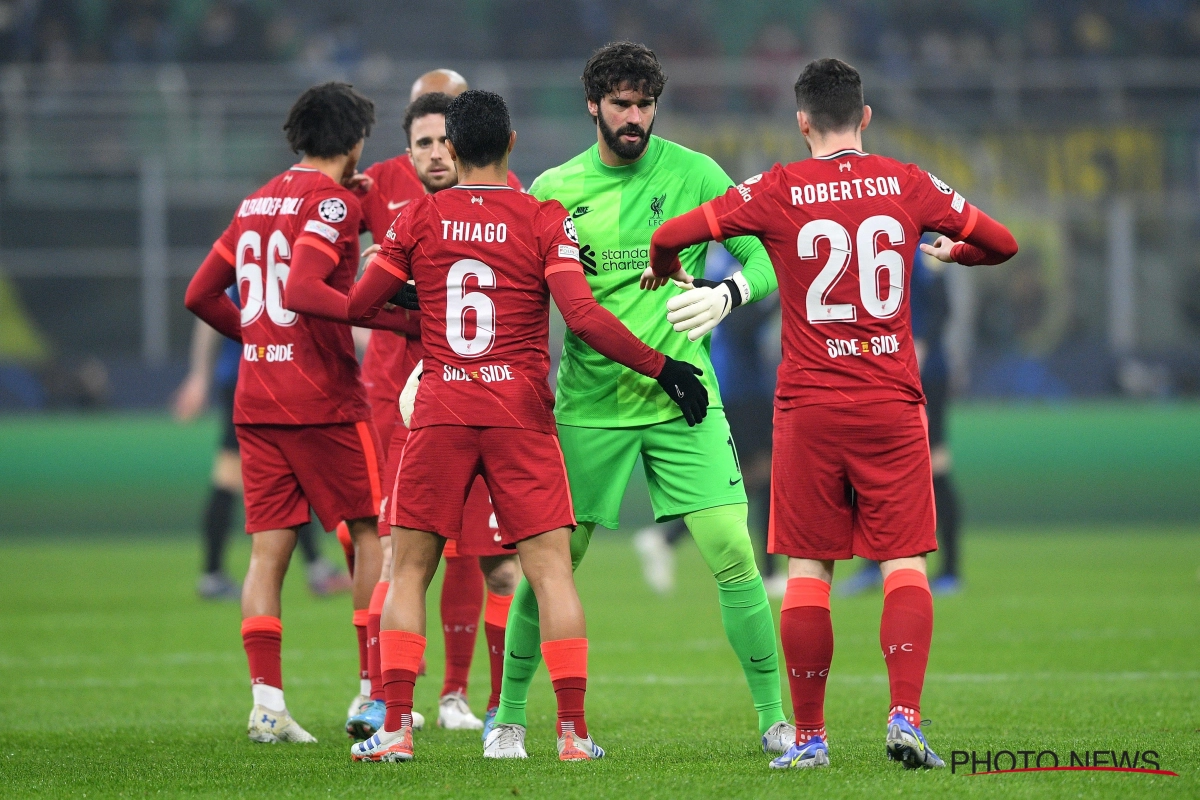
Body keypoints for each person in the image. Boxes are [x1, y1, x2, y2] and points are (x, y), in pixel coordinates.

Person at [646, 58, 1017, 770]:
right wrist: (956, 253)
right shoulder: (907, 182)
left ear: (802, 121)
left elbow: (677, 235)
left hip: (810, 406)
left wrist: (666, 266)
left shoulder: (779, 188)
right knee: (904, 559)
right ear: (866, 116)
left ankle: (811, 739)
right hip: (890, 402)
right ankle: (905, 718)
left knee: (809, 566)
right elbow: (1003, 243)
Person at [345, 89, 708, 764]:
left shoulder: (418, 217)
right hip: (518, 412)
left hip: (443, 406)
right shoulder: (545, 219)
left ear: (449, 149)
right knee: (550, 574)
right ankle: (571, 735)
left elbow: (360, 306)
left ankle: (395, 727)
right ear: (512, 144)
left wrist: (413, 304)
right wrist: (664, 367)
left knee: (411, 569)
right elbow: (588, 321)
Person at [494, 41, 795, 757]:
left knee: (733, 551)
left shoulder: (694, 173)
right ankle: (506, 717)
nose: (635, 117)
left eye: (645, 103)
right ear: (592, 105)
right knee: (553, 563)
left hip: (684, 400)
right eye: (621, 104)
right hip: (588, 405)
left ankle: (774, 718)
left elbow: (765, 254)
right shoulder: (554, 189)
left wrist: (729, 292)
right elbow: (516, 294)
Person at [184, 81, 400, 744]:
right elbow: (308, 284)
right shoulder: (331, 205)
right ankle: (371, 692)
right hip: (325, 399)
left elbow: (200, 293)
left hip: (257, 397)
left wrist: (256, 333)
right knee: (371, 533)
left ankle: (267, 705)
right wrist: (379, 314)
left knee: (268, 550)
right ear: (356, 141)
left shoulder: (255, 203)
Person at [347, 72, 525, 741]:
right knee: (397, 552)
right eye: (422, 140)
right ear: (409, 144)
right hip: (396, 399)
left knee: (480, 555)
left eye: (444, 137)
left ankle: (459, 694)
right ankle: (376, 694)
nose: (434, 151)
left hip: (473, 395)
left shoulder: (502, 194)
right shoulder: (376, 189)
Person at [632, 247, 784, 597]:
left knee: (757, 475)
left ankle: (666, 540)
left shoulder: (720, 261)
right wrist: (777, 298)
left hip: (736, 382)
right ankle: (769, 570)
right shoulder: (736, 264)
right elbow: (743, 325)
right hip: (739, 387)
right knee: (767, 472)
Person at [174, 315, 353, 601]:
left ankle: (217, 573)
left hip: (254, 376)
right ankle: (215, 573)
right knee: (256, 472)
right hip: (257, 376)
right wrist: (198, 377)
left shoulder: (244, 270)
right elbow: (205, 310)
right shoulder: (252, 269)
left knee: (262, 473)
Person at [838, 237, 963, 596]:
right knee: (868, 466)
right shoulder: (860, 237)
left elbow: (943, 307)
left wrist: (921, 342)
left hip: (925, 375)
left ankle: (951, 569)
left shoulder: (924, 246)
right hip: (877, 370)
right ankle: (872, 564)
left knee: (934, 464)